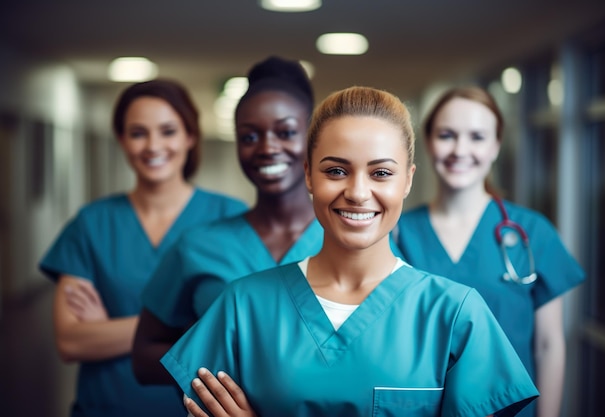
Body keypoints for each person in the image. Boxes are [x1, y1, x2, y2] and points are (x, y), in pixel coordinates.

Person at [162, 86, 539, 417]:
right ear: (308, 175)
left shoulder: (455, 315)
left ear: (407, 180)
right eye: (337, 171)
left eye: (381, 173)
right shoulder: (242, 306)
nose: (358, 193)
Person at [38, 79, 247, 417]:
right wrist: (195, 326)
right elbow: (71, 341)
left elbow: (247, 335)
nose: (153, 145)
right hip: (107, 407)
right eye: (138, 133)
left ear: (190, 136)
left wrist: (110, 331)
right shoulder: (91, 224)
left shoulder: (232, 217)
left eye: (168, 131)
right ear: (121, 139)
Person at [395, 86, 585, 417]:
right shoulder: (397, 232)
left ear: (496, 145)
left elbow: (549, 344)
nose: (460, 149)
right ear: (427, 143)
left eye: (477, 137)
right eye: (446, 135)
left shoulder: (532, 232)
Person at [132, 56, 323, 385]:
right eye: (249, 137)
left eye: (286, 132)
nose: (267, 147)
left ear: (312, 138)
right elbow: (144, 356)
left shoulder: (354, 240)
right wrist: (219, 369)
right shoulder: (198, 246)